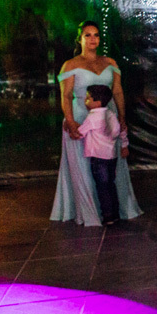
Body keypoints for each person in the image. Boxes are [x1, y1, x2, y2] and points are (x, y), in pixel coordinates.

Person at [51, 21, 142, 228]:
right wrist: (71, 121)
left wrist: (121, 117)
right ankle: (90, 210)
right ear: (80, 39)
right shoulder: (71, 64)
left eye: (96, 35)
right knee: (84, 167)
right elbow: (65, 95)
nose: (93, 39)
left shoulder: (110, 62)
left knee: (109, 166)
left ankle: (113, 210)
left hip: (106, 120)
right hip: (81, 118)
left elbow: (118, 92)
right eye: (88, 35)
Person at [76, 84, 129, 226]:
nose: (85, 101)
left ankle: (108, 216)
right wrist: (124, 145)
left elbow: (80, 133)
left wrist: (71, 128)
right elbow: (121, 129)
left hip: (98, 158)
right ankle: (115, 214)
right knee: (110, 185)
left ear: (97, 102)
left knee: (102, 187)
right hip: (112, 156)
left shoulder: (92, 117)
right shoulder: (111, 114)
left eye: (88, 98)